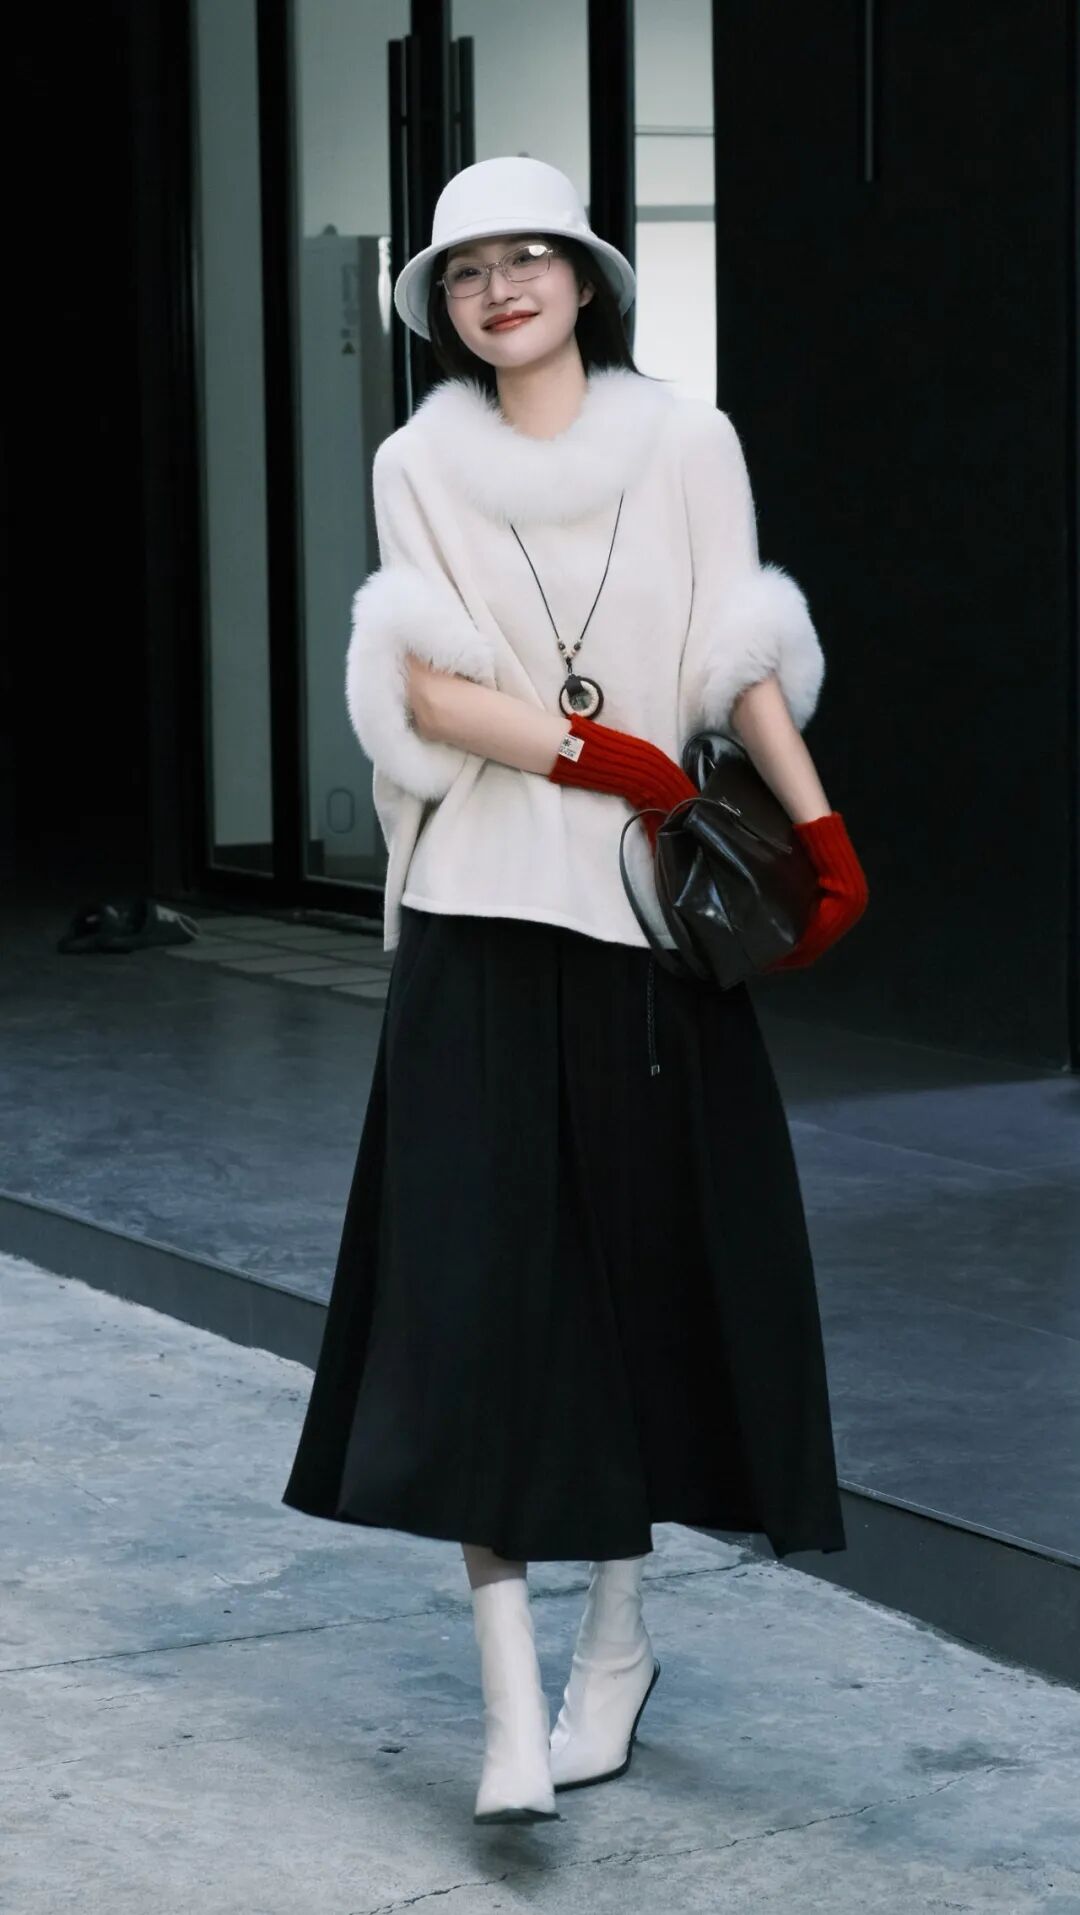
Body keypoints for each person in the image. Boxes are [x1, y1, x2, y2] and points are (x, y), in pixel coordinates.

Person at [281, 155, 869, 1827]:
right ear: (444, 307)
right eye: (469, 272)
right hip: (477, 903)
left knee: (642, 1270)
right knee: (472, 1296)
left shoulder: (687, 440)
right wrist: (611, 759)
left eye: (531, 258)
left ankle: (615, 1645)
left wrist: (821, 832)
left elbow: (736, 654)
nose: (503, 289)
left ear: (589, 281)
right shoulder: (418, 460)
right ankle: (508, 1711)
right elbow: (424, 685)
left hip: (645, 925)